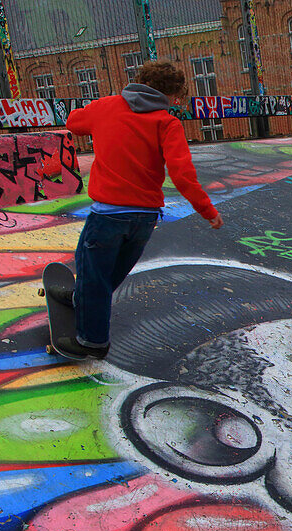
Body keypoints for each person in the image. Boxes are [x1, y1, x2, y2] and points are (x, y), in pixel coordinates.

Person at [57, 60, 224, 359]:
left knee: (94, 273)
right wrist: (208, 211)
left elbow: (73, 122)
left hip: (107, 215)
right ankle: (82, 297)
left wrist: (99, 110)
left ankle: (92, 342)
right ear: (172, 94)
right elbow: (182, 173)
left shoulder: (106, 107)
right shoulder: (166, 122)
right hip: (144, 219)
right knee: (110, 274)